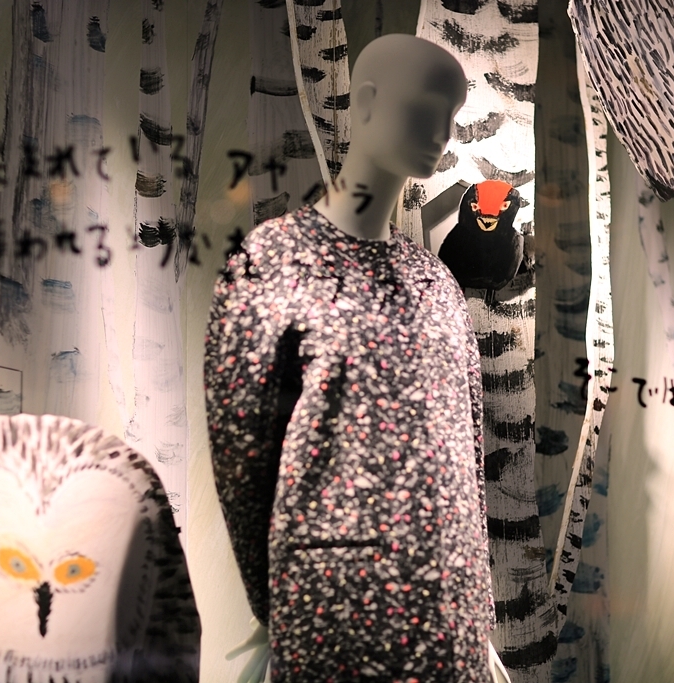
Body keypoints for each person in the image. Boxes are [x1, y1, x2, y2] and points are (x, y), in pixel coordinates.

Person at [205, 34, 506, 682]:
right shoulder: (275, 262)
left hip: (451, 621)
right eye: (426, 107)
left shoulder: (436, 283)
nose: (441, 131)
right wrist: (284, 603)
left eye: (452, 114)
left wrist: (477, 613)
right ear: (365, 102)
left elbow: (467, 457)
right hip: (335, 617)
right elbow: (242, 462)